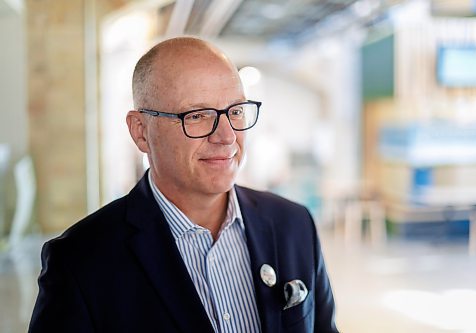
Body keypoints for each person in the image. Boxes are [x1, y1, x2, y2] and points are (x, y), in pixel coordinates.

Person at [29, 37, 339, 333]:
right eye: (198, 115)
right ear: (141, 131)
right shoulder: (81, 262)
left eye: (235, 111)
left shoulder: (293, 225)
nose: (227, 136)